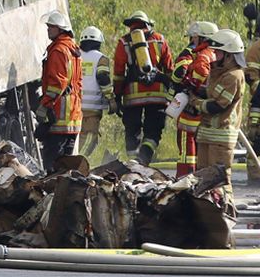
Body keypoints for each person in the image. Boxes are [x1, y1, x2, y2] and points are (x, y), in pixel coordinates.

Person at [112, 10, 173, 165]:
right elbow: (169, 68)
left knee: (132, 130)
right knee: (153, 130)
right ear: (147, 24)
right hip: (157, 96)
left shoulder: (124, 42)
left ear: (131, 25)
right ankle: (144, 157)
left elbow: (119, 73)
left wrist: (117, 96)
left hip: (132, 96)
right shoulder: (159, 40)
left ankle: (133, 164)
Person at [193, 28, 247, 202]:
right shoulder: (219, 74)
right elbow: (210, 94)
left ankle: (225, 208)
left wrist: (194, 102)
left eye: (218, 53)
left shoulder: (234, 76)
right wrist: (191, 90)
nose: (214, 56)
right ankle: (204, 209)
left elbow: (217, 105)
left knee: (219, 178)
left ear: (230, 56)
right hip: (207, 134)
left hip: (221, 136)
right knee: (202, 175)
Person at [36, 10, 83, 171]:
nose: (48, 29)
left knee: (52, 166)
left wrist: (45, 105)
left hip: (58, 117)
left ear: (61, 29)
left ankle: (52, 194)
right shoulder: (73, 50)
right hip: (73, 117)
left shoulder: (58, 51)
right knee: (67, 167)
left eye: (51, 27)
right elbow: (78, 83)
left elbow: (57, 83)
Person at [170, 21, 218, 177]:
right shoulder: (217, 54)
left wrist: (191, 84)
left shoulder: (203, 55)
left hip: (191, 111)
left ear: (201, 38)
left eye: (194, 38)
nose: (192, 41)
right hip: (204, 109)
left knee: (186, 145)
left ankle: (184, 176)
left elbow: (198, 72)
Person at [77, 26, 116, 158]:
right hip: (92, 108)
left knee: (75, 138)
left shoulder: (75, 56)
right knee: (89, 139)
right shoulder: (101, 59)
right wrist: (111, 99)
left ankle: (69, 164)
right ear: (99, 42)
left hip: (74, 107)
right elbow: (103, 78)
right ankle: (78, 164)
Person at [245, 36, 260, 182]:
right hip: (258, 102)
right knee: (255, 141)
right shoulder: (257, 48)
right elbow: (250, 75)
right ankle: (254, 176)